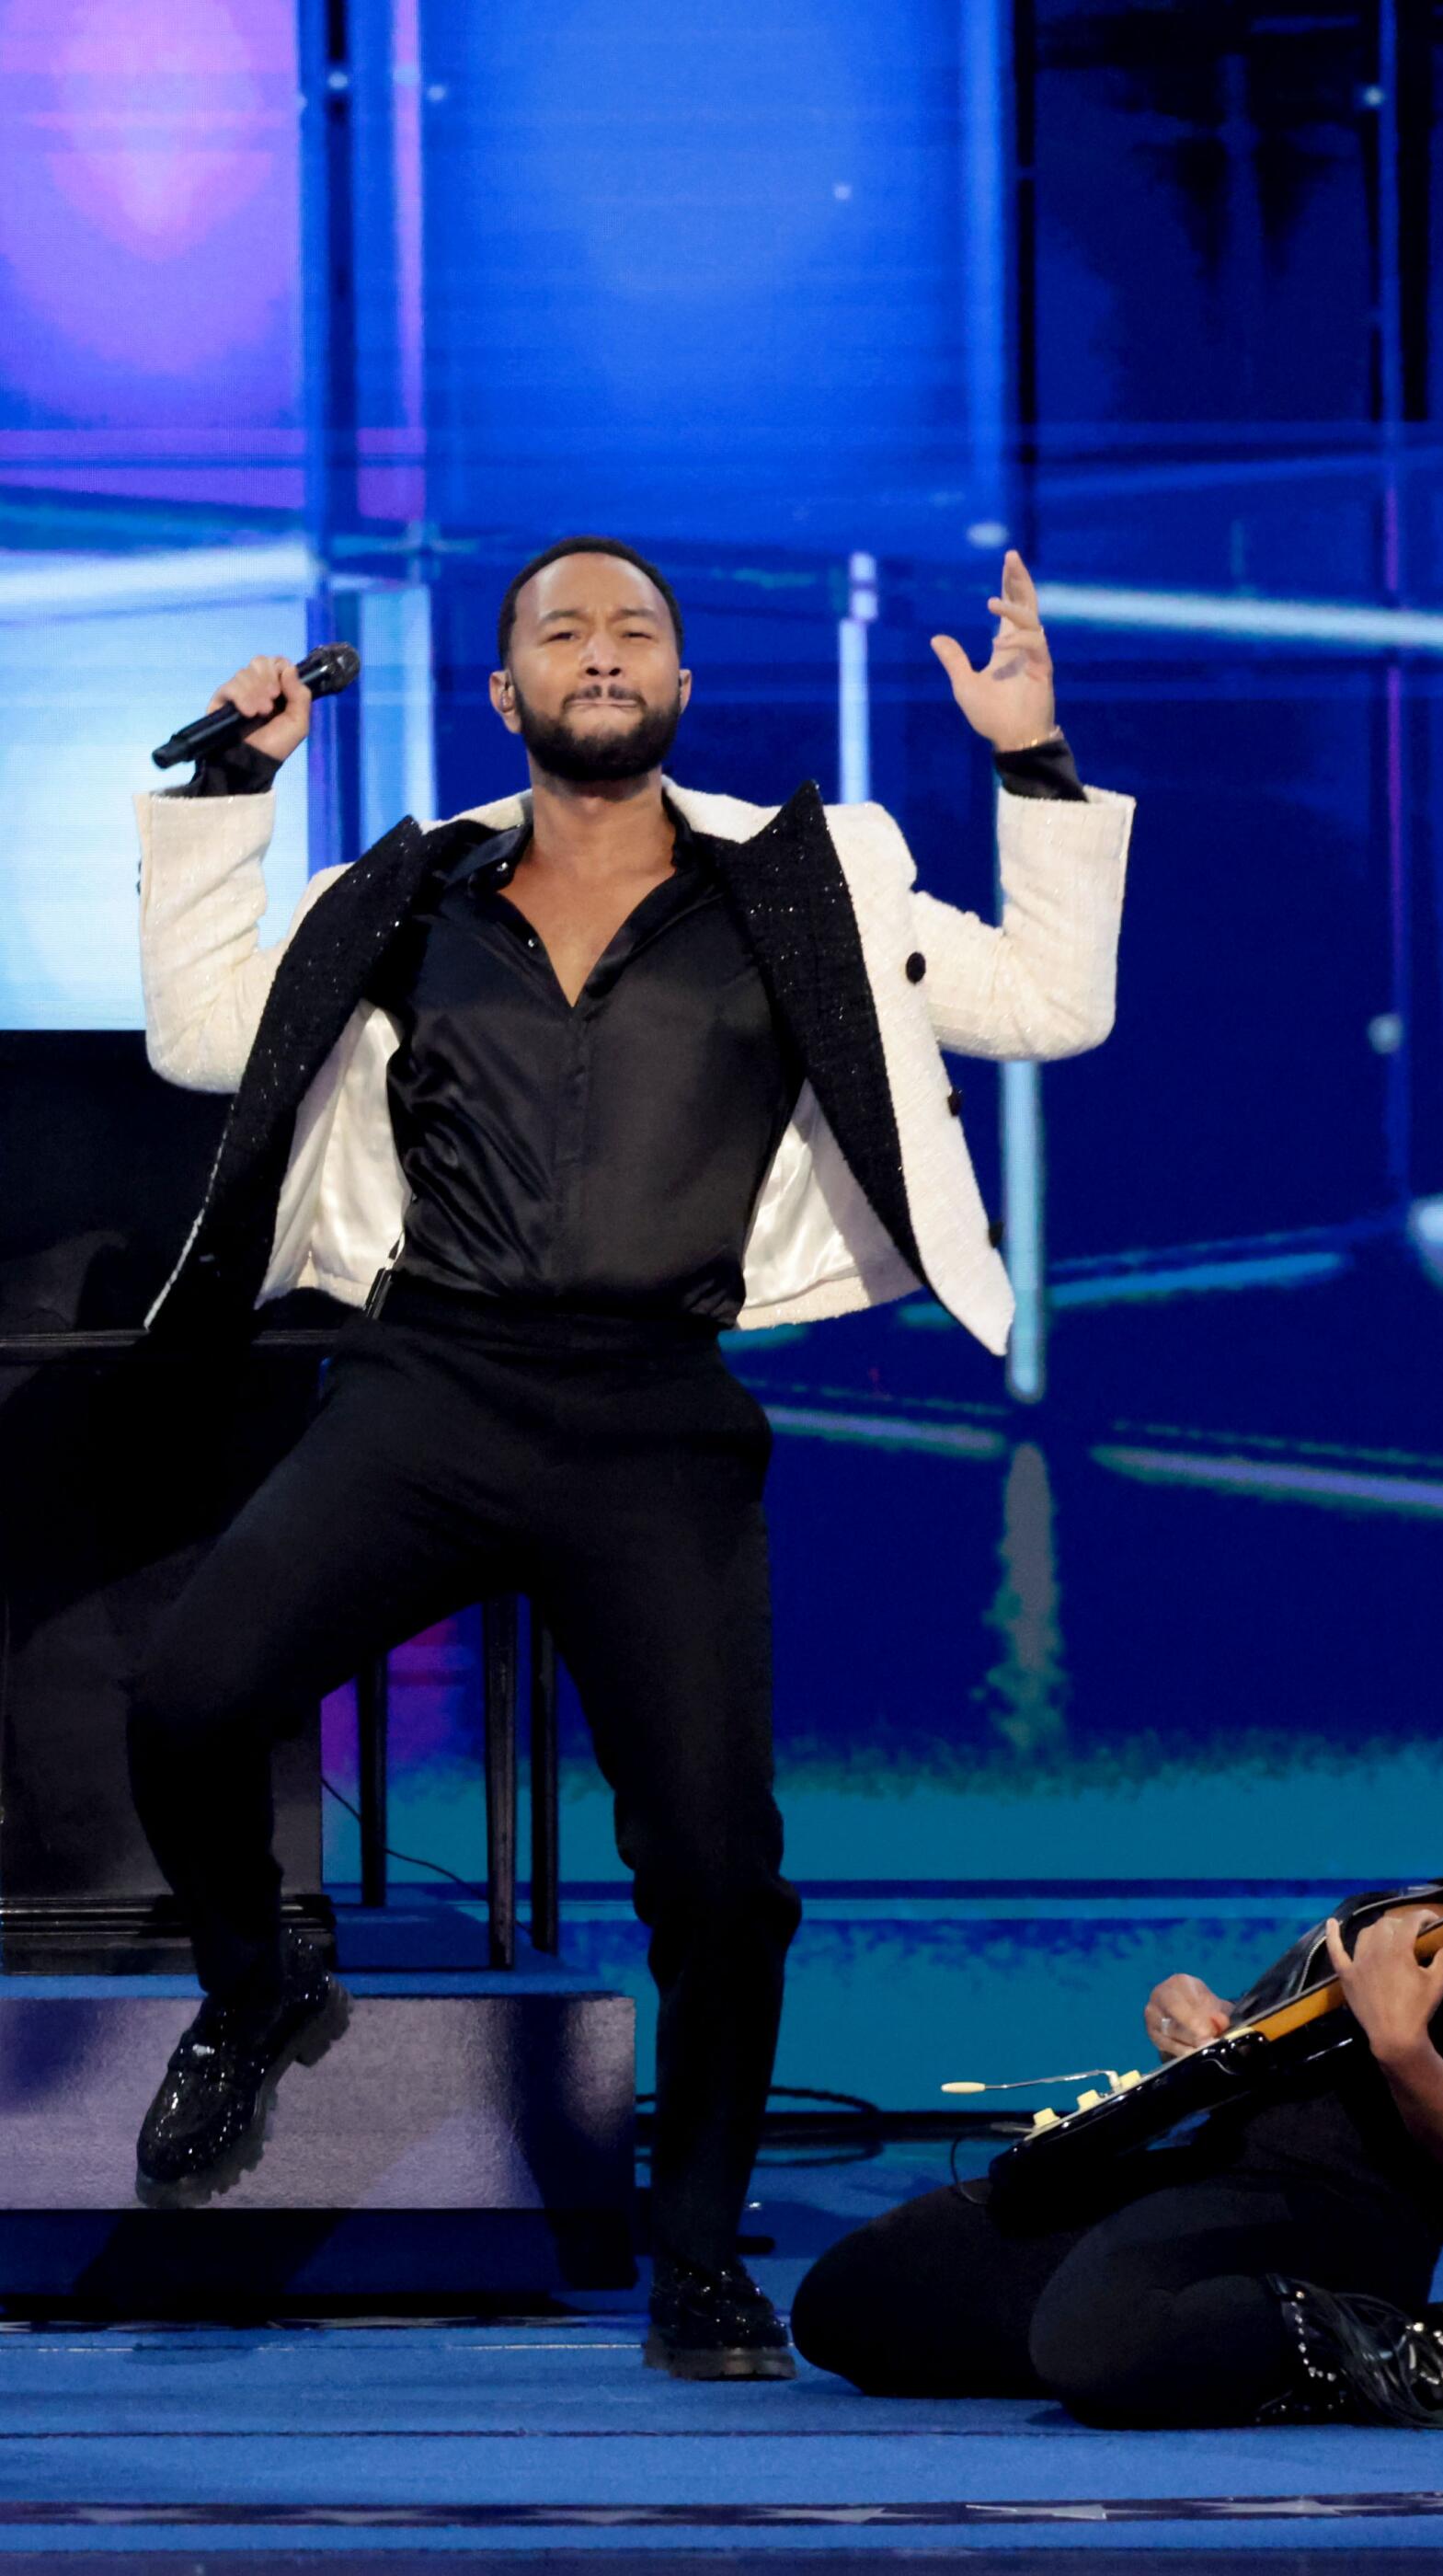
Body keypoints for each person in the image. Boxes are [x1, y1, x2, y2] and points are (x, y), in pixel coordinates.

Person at [127, 539, 1131, 2376]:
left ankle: (697, 2261)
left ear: (677, 686)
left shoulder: (809, 886)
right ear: (505, 693)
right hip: (430, 1387)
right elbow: (205, 1037)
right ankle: (259, 1983)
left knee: (717, 1873)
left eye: (638, 628)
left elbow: (1052, 1009)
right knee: (186, 1698)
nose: (605, 648)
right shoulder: (410, 893)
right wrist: (228, 783)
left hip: (653, 1418)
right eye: (563, 630)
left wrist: (1031, 764)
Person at [793, 1634, 1443, 2423]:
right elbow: (1250, 2035)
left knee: (1096, 2342)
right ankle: (1176, 2327)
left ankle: (1422, 2349)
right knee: (853, 2305)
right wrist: (1187, 2014)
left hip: (1338, 2219)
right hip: (1204, 2168)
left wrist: (1404, 2052)